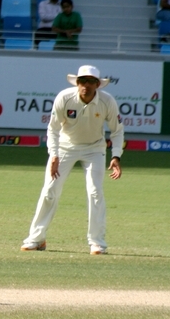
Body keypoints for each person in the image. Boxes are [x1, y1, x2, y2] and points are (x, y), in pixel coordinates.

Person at [22, 65, 123, 256]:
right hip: (65, 147)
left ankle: (97, 243)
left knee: (95, 192)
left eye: (91, 81)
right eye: (82, 81)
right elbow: (52, 129)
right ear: (77, 83)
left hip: (94, 148)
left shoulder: (107, 101)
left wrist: (116, 156)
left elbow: (117, 130)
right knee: (50, 190)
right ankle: (36, 239)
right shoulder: (64, 98)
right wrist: (54, 155)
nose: (86, 85)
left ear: (97, 85)